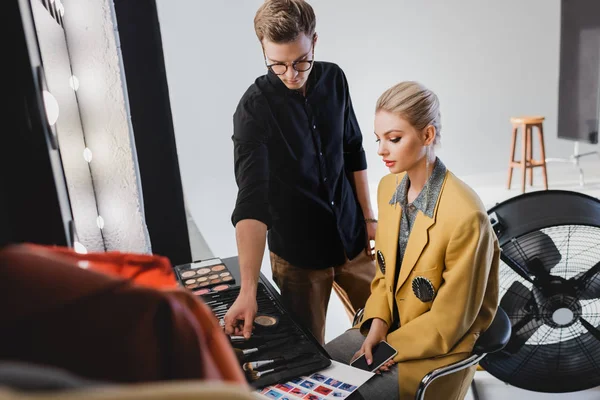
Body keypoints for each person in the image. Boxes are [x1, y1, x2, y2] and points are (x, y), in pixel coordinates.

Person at [325, 81, 500, 400]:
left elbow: (447, 325)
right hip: (386, 330)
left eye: (393, 139)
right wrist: (377, 320)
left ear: (427, 135)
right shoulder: (387, 187)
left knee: (344, 396)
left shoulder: (466, 217)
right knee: (316, 372)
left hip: (436, 353)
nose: (380, 150)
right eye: (378, 139)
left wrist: (388, 349)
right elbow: (383, 278)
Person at [223, 0, 376, 345]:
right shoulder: (253, 110)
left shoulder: (334, 78)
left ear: (314, 42)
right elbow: (251, 201)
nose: (291, 74)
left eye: (301, 61)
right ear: (262, 47)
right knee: (310, 352)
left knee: (388, 331)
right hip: (299, 256)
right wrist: (248, 289)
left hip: (351, 237)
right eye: (277, 64)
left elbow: (353, 148)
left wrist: (369, 219)